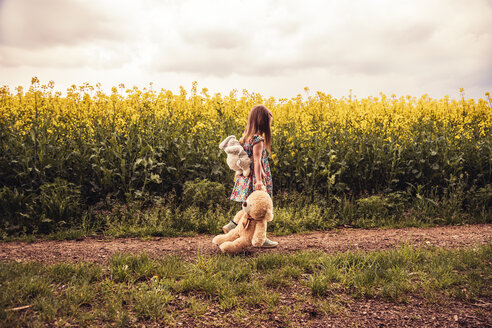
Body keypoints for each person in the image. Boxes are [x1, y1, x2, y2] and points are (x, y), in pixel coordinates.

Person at [222, 104, 278, 248]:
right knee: (260, 209)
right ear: (262, 122)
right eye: (269, 122)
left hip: (246, 177)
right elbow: (257, 161)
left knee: (250, 207)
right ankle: (261, 238)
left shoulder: (246, 137)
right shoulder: (258, 139)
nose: (269, 126)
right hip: (255, 178)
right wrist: (259, 181)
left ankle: (233, 225)